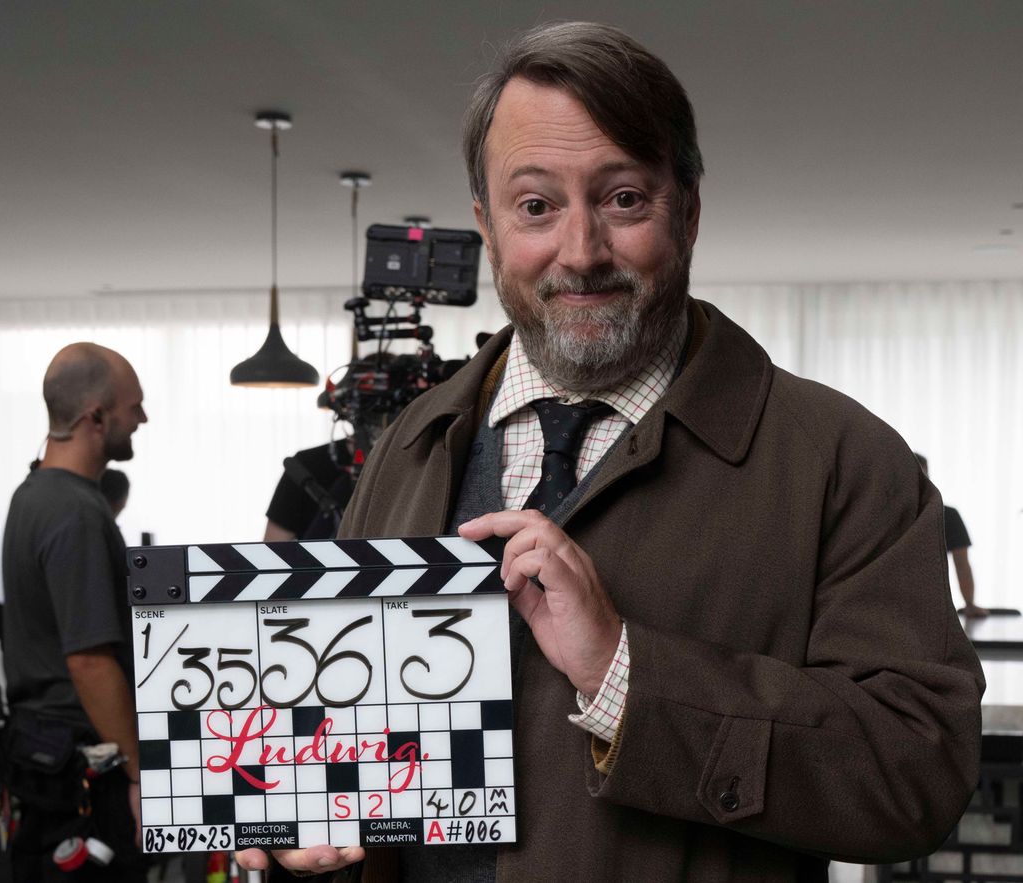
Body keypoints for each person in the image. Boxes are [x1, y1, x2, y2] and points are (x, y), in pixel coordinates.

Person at [238, 22, 984, 881]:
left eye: (624, 198)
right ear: (487, 226)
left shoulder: (843, 459)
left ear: (690, 209)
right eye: (536, 206)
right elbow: (343, 741)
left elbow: (917, 775)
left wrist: (624, 672)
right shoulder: (411, 442)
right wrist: (291, 804)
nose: (581, 251)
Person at [1, 343, 148, 882]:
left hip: (44, 759)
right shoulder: (75, 512)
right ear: (97, 416)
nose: (142, 419)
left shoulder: (32, 493)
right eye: (135, 407)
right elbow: (89, 659)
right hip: (81, 768)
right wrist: (138, 775)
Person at [914, 453, 989, 617]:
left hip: (931, 607)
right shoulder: (883, 517)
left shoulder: (947, 516)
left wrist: (969, 603)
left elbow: (962, 564)